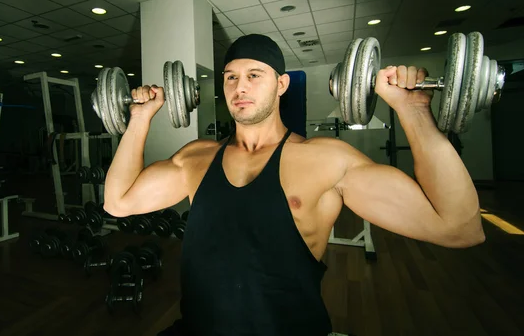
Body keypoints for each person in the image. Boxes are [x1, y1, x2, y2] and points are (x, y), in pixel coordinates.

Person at [103, 34, 485, 336]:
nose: (241, 87)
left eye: (255, 75)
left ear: (281, 83)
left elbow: (457, 227)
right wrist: (139, 118)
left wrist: (413, 110)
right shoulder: (195, 158)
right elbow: (118, 202)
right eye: (231, 77)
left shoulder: (325, 160)